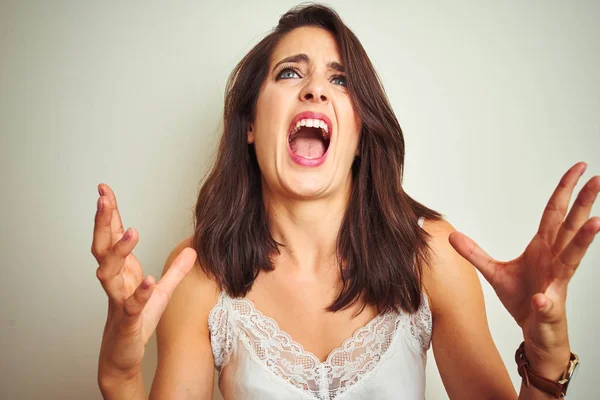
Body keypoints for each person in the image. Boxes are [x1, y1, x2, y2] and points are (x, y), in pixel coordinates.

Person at [91, 4, 598, 400]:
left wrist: (546, 356)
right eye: (290, 73)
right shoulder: (198, 274)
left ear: (360, 129)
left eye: (340, 80)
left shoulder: (435, 255)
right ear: (249, 124)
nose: (315, 90)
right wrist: (121, 375)